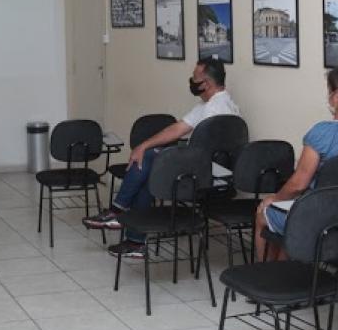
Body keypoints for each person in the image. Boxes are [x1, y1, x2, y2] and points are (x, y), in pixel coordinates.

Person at [83, 57, 240, 258]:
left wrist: (146, 148)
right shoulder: (219, 104)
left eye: (194, 78)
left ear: (206, 84)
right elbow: (177, 129)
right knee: (150, 169)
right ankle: (134, 241)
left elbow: (197, 149)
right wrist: (146, 145)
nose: (191, 82)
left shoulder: (213, 110)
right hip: (212, 170)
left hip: (206, 177)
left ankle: (118, 212)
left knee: (149, 160)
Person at [252, 67, 338, 261]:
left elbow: (299, 183)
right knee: (289, 216)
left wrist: (275, 198)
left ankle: (266, 275)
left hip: (314, 215)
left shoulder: (322, 133)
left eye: (330, 90)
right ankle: (286, 273)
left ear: (337, 95)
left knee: (264, 212)